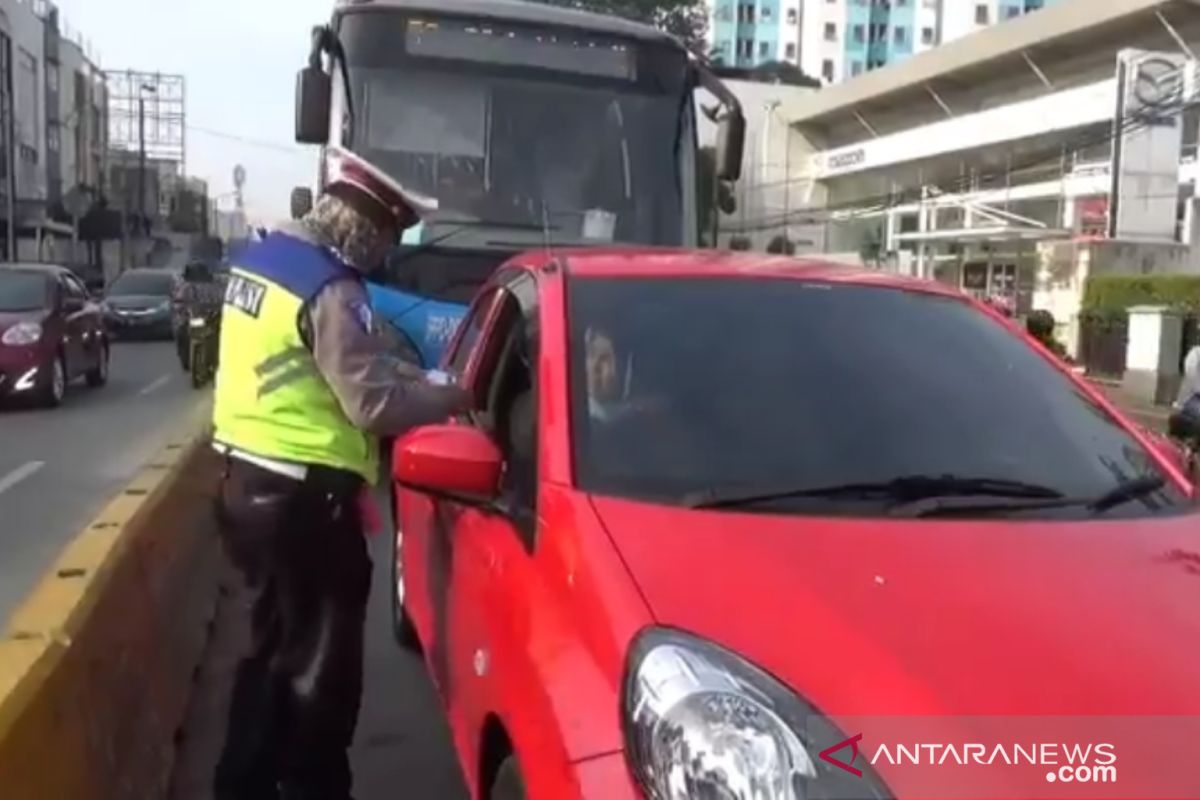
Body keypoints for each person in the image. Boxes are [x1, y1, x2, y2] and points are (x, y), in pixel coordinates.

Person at [209, 145, 471, 800]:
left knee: (267, 659)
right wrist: (455, 395)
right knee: (320, 680)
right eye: (385, 237)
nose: (384, 253)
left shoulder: (264, 259)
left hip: (246, 487)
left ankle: (239, 785)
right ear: (364, 224)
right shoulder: (333, 287)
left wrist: (417, 374)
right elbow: (373, 402)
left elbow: (356, 361)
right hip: (305, 511)